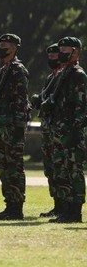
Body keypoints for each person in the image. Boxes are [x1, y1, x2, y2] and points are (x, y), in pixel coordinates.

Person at [0, 33, 30, 220]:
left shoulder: (18, 70)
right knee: (4, 166)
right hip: (3, 124)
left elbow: (21, 99)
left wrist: (19, 124)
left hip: (13, 125)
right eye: (0, 43)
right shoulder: (4, 70)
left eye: (6, 44)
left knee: (14, 166)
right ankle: (9, 204)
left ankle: (16, 207)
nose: (2, 46)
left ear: (15, 47)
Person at [46, 36, 86, 223]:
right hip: (59, 130)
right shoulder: (64, 73)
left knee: (74, 171)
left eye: (65, 50)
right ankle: (67, 209)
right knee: (61, 171)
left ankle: (75, 211)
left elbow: (81, 106)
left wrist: (76, 130)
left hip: (71, 131)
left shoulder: (78, 74)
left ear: (76, 51)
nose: (61, 52)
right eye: (60, 49)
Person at [30, 43, 63, 217]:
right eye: (49, 57)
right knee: (50, 168)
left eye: (55, 56)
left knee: (60, 167)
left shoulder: (64, 76)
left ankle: (65, 205)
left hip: (58, 128)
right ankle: (57, 204)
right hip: (48, 128)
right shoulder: (51, 77)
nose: (52, 59)